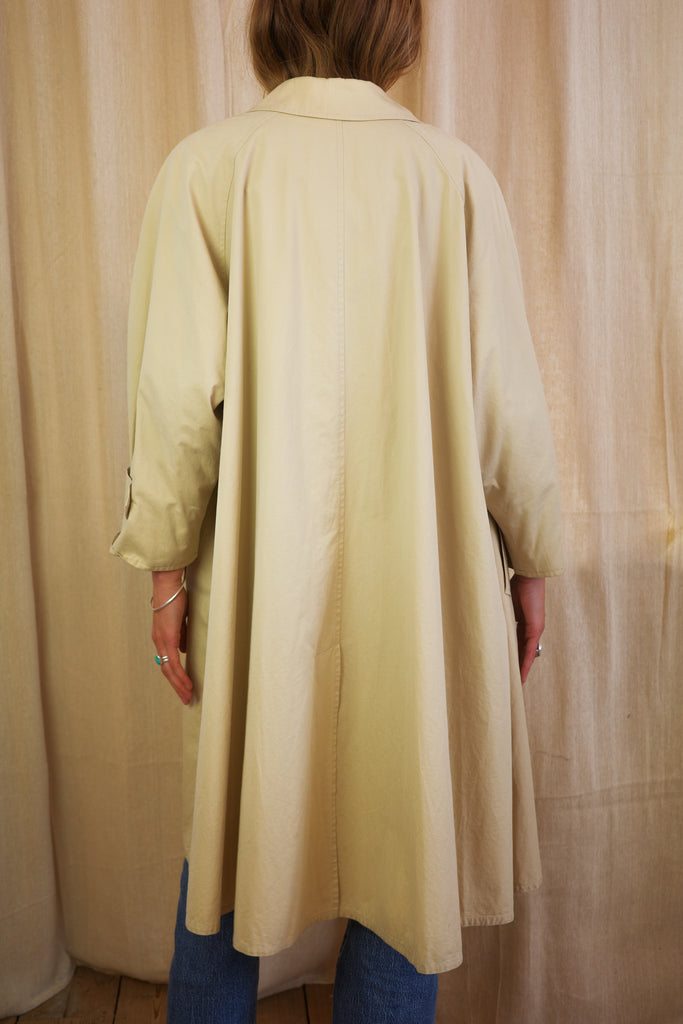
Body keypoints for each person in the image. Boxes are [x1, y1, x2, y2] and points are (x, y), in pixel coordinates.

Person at [111, 0, 564, 1020]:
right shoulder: (452, 176)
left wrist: (166, 575)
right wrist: (529, 561)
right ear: (397, 27)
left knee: (231, 844)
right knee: (409, 847)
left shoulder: (208, 169)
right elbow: (508, 408)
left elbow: (174, 405)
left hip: (260, 587)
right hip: (423, 583)